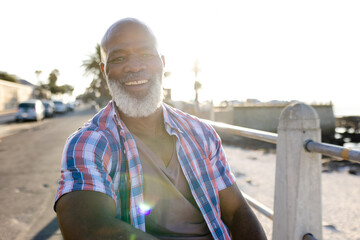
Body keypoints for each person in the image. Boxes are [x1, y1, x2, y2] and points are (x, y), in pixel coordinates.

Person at [54, 17, 267, 240]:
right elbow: (87, 228)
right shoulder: (90, 143)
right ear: (103, 70)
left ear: (162, 63)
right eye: (118, 58)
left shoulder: (202, 134)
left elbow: (237, 212)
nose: (135, 66)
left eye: (146, 54)